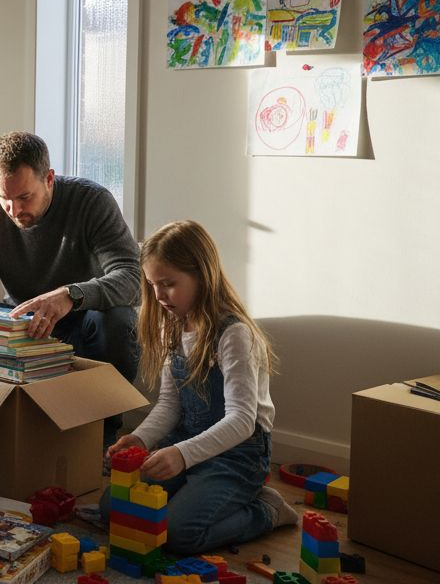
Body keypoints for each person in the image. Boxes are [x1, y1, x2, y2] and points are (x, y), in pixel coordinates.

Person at [0, 131, 140, 444]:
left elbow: (132, 278)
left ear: (49, 179)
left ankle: (101, 433)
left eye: (24, 197)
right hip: (20, 323)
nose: (13, 209)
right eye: (3, 198)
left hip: (82, 323)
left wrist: (71, 295)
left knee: (119, 323)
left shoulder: (92, 201)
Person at [101, 220, 296, 554]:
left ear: (202, 276)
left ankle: (265, 510)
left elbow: (241, 421)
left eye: (169, 284)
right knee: (112, 509)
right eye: (152, 285)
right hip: (188, 440)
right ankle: (197, 492)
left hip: (238, 454)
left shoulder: (234, 334)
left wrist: (182, 455)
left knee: (177, 534)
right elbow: (168, 405)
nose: (159, 295)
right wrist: (141, 437)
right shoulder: (175, 326)